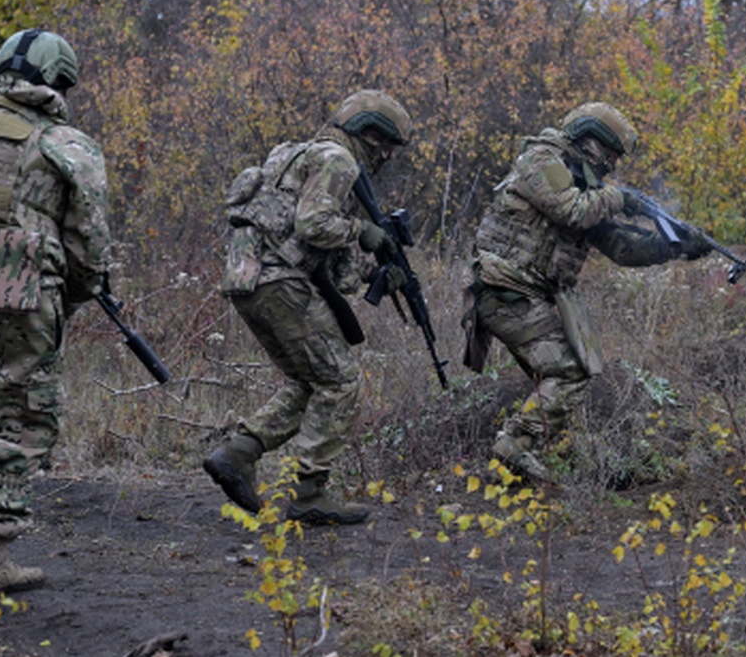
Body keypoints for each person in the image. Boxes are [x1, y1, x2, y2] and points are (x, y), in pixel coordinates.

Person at [0, 29, 111, 598]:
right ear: (59, 82)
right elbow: (88, 249)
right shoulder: (68, 145)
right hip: (20, 300)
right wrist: (70, 295)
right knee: (19, 421)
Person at [463, 102, 712, 481]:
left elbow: (622, 248)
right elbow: (573, 211)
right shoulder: (542, 161)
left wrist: (677, 246)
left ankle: (547, 459)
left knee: (560, 379)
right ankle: (512, 448)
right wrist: (623, 198)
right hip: (504, 289)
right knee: (568, 372)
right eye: (610, 153)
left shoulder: (585, 187)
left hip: (527, 294)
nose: (612, 164)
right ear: (590, 141)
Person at [203, 89, 411, 525]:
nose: (390, 156)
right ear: (370, 134)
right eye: (389, 144)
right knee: (341, 381)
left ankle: (237, 453)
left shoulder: (293, 155)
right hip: (279, 283)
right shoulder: (338, 161)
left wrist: (372, 277)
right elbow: (313, 225)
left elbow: (312, 252)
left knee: (309, 380)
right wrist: (362, 231)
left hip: (248, 280)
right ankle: (309, 490)